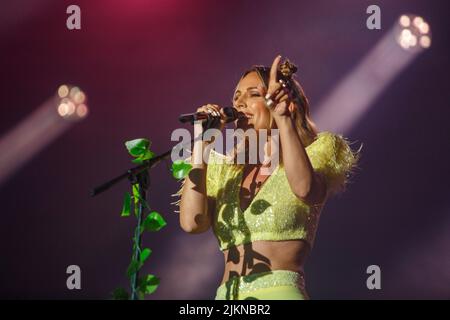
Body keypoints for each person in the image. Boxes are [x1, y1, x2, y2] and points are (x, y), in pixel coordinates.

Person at [173, 55, 361, 300]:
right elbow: (192, 222)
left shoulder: (317, 155)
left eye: (253, 94)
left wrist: (283, 118)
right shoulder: (227, 172)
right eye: (236, 96)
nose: (240, 103)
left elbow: (305, 189)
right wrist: (203, 143)